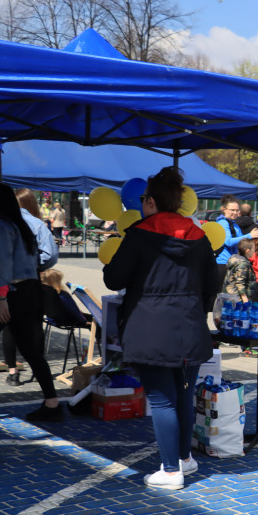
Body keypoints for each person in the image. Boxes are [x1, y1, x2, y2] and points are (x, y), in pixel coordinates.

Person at [103, 166, 216, 490]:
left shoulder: (139, 234)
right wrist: (198, 309)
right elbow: (212, 283)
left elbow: (114, 279)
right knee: (182, 396)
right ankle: (183, 459)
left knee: (164, 401)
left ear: (151, 201)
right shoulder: (199, 236)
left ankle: (170, 471)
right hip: (191, 328)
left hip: (150, 329)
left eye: (143, 198)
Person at [0, 181, 62, 421]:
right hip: (29, 291)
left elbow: (4, 263)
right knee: (30, 349)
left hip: (12, 292)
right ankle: (52, 403)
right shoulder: (19, 225)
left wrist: (1, 298)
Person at [0, 188, 61, 386]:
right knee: (35, 325)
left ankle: (12, 373)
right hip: (31, 281)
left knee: (9, 326)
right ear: (31, 204)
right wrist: (35, 264)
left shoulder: (3, 224)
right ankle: (38, 371)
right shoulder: (37, 224)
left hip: (6, 281)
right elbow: (51, 255)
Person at [214, 194, 258, 296]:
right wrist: (250, 235)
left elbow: (242, 242)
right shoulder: (223, 223)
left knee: (231, 298)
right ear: (224, 209)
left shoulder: (234, 224)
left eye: (237, 210)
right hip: (223, 264)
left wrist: (256, 235)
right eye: (232, 210)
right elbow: (228, 242)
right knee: (223, 298)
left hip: (233, 264)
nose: (235, 213)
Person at [223, 238, 256, 304]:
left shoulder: (237, 259)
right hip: (237, 298)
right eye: (253, 249)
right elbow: (240, 282)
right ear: (247, 251)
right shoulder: (242, 264)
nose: (254, 251)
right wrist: (245, 299)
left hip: (232, 295)